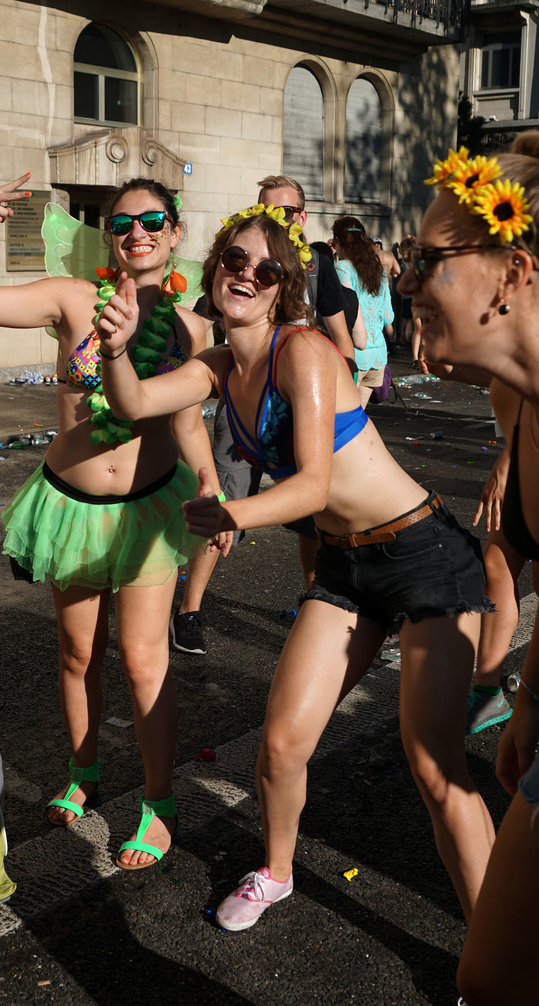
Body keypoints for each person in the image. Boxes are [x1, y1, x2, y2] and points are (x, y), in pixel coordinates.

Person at [97, 205, 495, 930]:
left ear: (284, 288)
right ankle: (276, 872)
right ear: (215, 270)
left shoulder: (304, 351)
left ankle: (500, 950)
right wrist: (116, 347)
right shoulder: (219, 365)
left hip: (423, 553)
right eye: (234, 261)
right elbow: (132, 400)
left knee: (436, 770)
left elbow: (312, 485)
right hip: (347, 567)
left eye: (266, 268)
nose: (246, 275)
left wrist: (230, 515)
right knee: (281, 747)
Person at [0, 174, 224, 869]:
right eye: (122, 222)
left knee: (142, 660)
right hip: (69, 508)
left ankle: (158, 803)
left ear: (175, 231)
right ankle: (84, 772)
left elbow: (189, 417)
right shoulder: (74, 300)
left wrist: (215, 483)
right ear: (109, 234)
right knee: (76, 656)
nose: (138, 233)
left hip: (146, 510)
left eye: (153, 221)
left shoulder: (192, 326)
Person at [396, 137, 539, 1006]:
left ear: (513, 271)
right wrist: (528, 704)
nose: (407, 284)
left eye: (428, 262)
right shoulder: (514, 401)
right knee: (489, 978)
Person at [170, 176, 356, 654]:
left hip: (298, 400)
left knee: (310, 519)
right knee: (224, 496)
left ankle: (320, 597)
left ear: (303, 219)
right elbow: (145, 393)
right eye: (268, 211)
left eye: (287, 214)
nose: (251, 272)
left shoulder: (316, 275)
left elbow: (338, 329)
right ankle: (188, 609)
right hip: (241, 405)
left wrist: (348, 390)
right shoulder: (238, 275)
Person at [466, 379, 539, 735]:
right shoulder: (503, 373)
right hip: (525, 459)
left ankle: (531, 702)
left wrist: (509, 459)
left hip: (526, 459)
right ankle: (487, 691)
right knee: (496, 566)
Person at [332, 216, 394, 408]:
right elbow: (388, 316)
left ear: (339, 242)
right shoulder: (379, 271)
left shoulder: (343, 268)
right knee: (357, 417)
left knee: (341, 417)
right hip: (378, 356)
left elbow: (343, 312)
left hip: (354, 354)